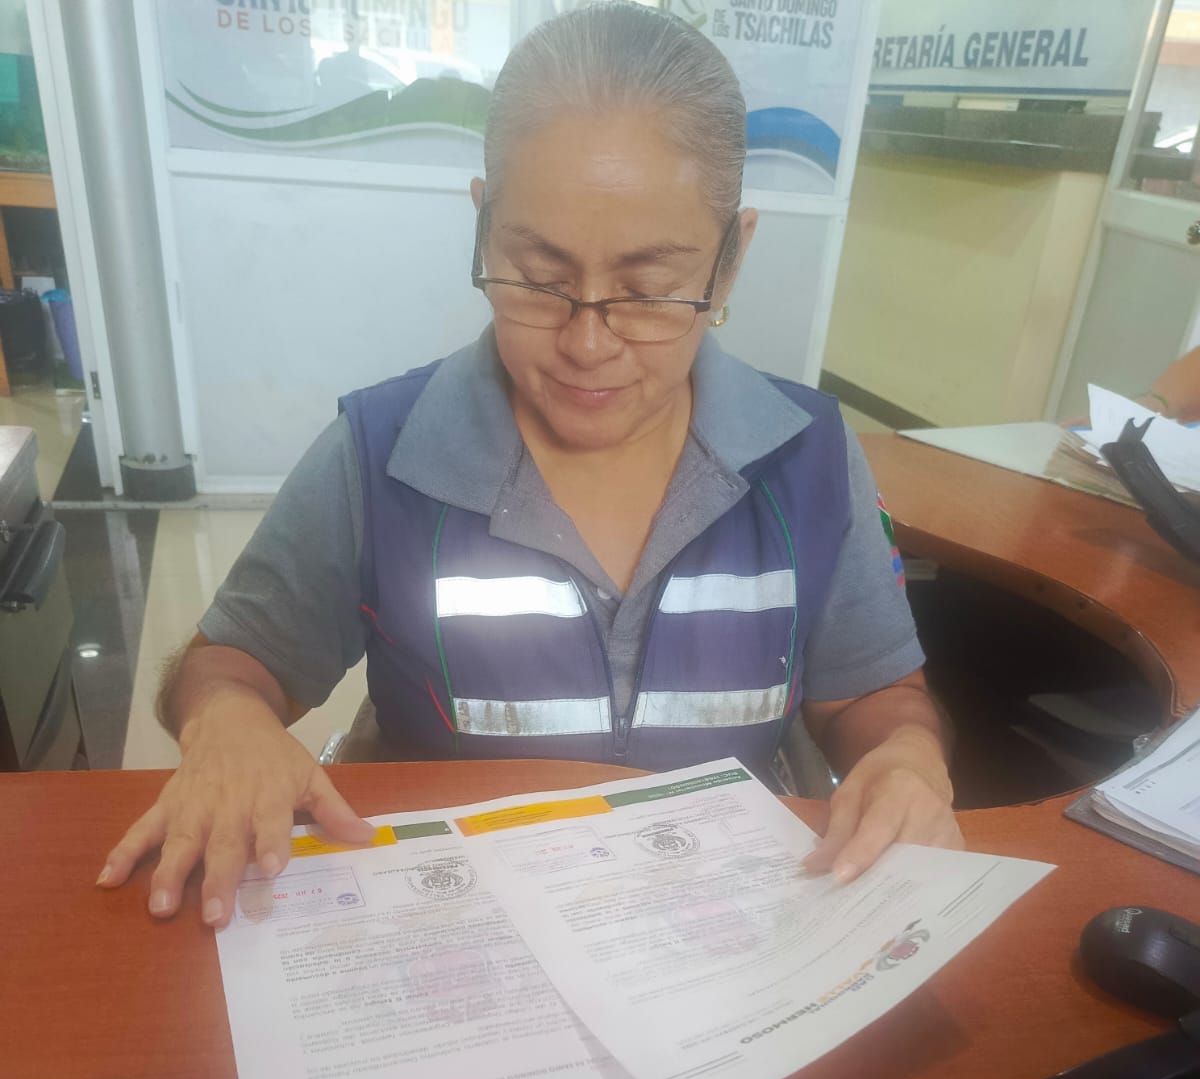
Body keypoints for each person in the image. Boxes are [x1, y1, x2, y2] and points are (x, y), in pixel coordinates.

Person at [99, 2, 961, 929]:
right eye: (540, 279)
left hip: (720, 935)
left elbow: (876, 696)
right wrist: (228, 721)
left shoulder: (806, 457)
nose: (587, 342)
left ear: (730, 262)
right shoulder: (384, 454)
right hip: (454, 935)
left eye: (647, 290)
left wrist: (906, 756)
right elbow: (228, 665)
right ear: (483, 229)